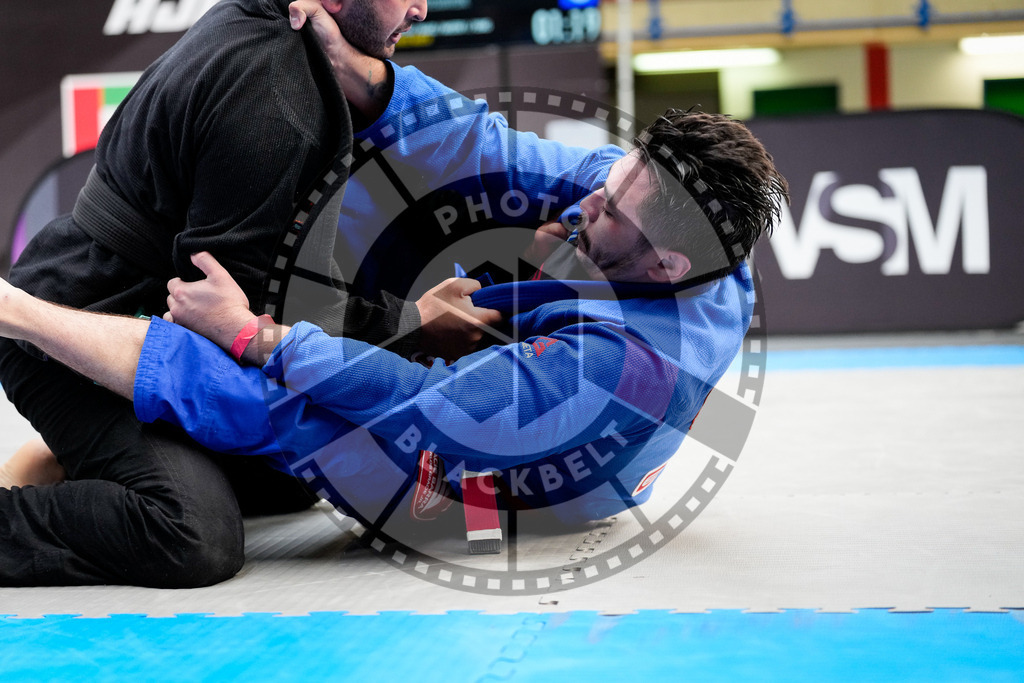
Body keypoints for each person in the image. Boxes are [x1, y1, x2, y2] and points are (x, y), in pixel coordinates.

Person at [0, 0, 620, 587]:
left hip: (143, 299)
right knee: (193, 533)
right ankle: (86, 461)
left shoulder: (295, 44)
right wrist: (413, 323)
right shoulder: (279, 99)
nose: (421, 10)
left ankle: (74, 462)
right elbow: (241, 314)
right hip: (78, 323)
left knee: (298, 477)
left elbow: (479, 143)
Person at [0, 109, 788, 544]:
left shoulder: (628, 366)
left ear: (666, 266)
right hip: (543, 390)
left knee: (279, 410)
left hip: (483, 478)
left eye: (611, 210)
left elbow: (427, 403)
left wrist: (254, 336)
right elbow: (489, 147)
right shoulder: (699, 245)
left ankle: (16, 310)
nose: (589, 201)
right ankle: (68, 447)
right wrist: (367, 74)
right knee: (473, 202)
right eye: (608, 184)